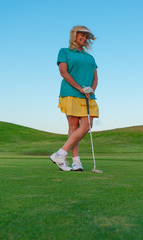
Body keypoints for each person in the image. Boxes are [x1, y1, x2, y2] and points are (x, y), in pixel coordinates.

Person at [50, 25, 99, 171]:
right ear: (74, 36)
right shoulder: (64, 52)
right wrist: (80, 88)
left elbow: (95, 77)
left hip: (88, 95)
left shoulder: (90, 57)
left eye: (86, 36)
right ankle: (76, 161)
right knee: (74, 127)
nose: (84, 38)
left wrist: (91, 90)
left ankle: (60, 154)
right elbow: (64, 73)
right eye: (81, 35)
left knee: (86, 126)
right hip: (71, 92)